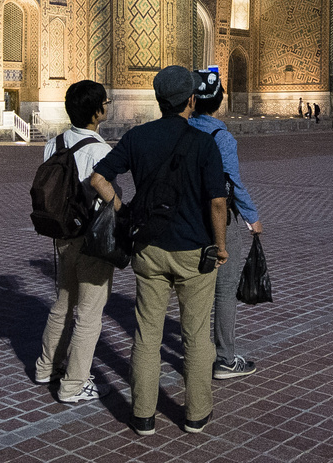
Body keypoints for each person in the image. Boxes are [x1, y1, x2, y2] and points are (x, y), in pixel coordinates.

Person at [90, 67, 229, 437]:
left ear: (158, 101)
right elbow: (218, 203)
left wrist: (124, 211)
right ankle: (196, 415)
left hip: (149, 249)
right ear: (191, 101)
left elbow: (98, 179)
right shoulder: (203, 142)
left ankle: (143, 415)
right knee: (196, 337)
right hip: (194, 251)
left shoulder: (138, 138)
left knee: (147, 335)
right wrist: (221, 246)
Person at [34, 81, 114, 403]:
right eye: (104, 103)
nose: (106, 107)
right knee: (89, 314)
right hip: (91, 240)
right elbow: (106, 196)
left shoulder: (53, 144)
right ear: (96, 111)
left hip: (62, 236)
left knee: (64, 303)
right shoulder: (99, 149)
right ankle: (74, 384)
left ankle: (45, 367)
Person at [188, 83, 261, 381]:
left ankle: (196, 351)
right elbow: (232, 182)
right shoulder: (221, 136)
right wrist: (252, 216)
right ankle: (226, 359)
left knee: (195, 288)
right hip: (219, 220)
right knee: (225, 289)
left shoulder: (183, 129)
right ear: (219, 102)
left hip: (187, 219)